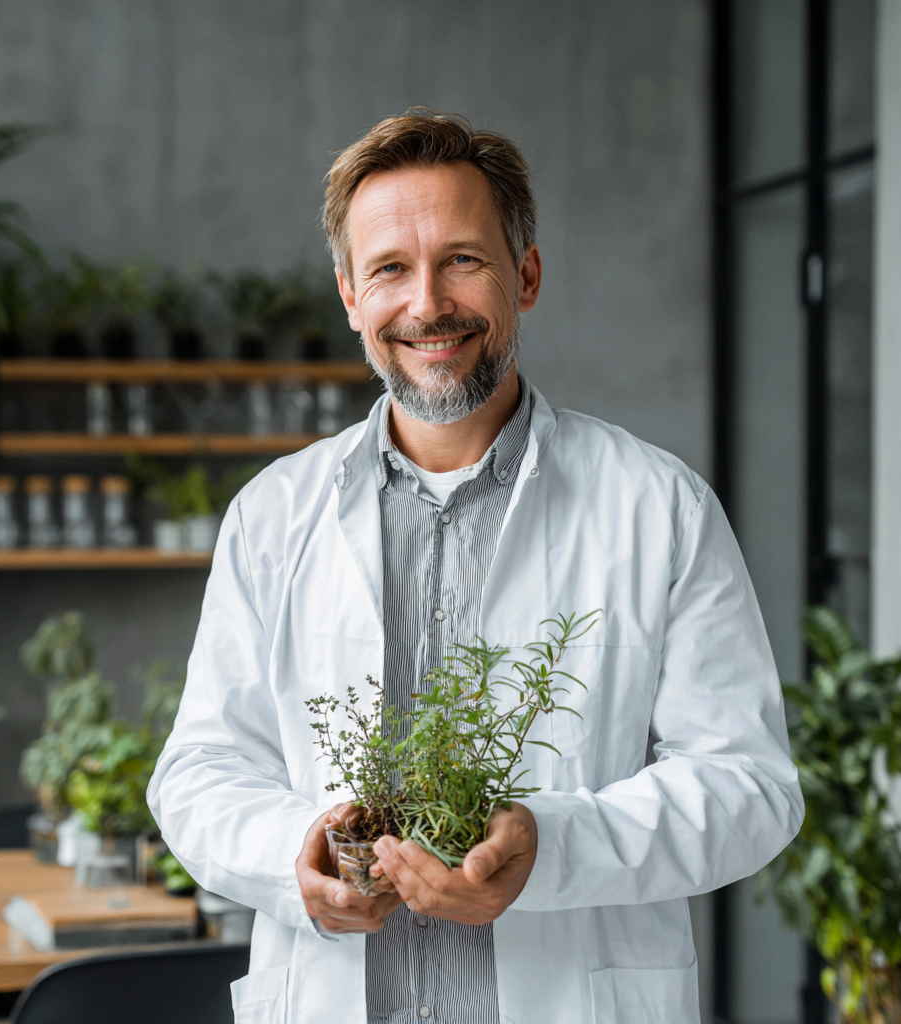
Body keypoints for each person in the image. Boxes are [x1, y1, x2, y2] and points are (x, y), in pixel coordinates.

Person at [148, 110, 803, 1024]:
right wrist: (292, 855)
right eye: (389, 269)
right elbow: (200, 771)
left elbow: (750, 786)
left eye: (463, 259)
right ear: (349, 295)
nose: (427, 304)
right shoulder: (273, 515)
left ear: (524, 275)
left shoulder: (660, 508)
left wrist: (555, 847)